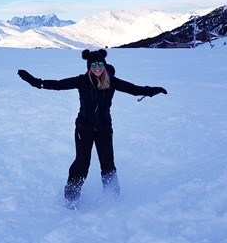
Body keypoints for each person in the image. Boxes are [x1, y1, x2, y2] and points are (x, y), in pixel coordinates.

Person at [17, 49, 167, 205]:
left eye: (100, 64)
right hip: (84, 129)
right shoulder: (82, 81)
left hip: (104, 130)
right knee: (81, 165)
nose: (97, 68)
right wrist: (35, 82)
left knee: (108, 165)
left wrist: (150, 91)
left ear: (104, 65)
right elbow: (58, 85)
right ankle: (71, 198)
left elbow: (134, 89)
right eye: (93, 64)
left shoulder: (112, 82)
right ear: (89, 66)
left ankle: (112, 197)